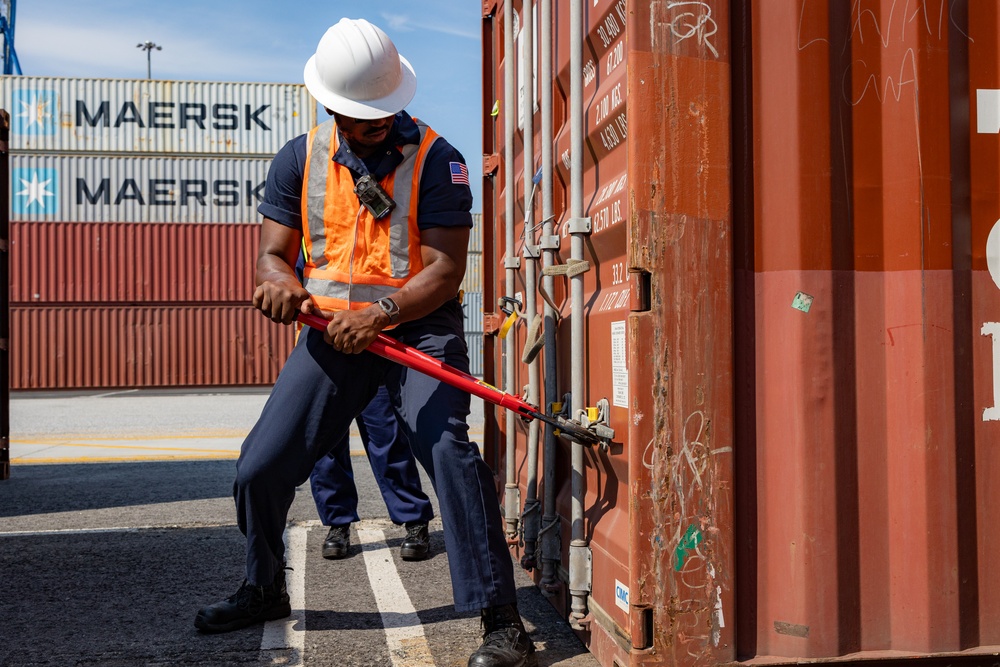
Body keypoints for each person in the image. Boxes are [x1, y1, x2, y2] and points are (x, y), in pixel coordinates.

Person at [194, 17, 536, 667]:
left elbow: (443, 270)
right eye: (360, 119)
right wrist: (274, 282)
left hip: (417, 330)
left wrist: (380, 313)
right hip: (331, 334)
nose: (374, 128)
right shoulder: (299, 158)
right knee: (259, 466)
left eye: (383, 117)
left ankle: (502, 619)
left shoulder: (440, 159)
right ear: (331, 105)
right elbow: (272, 254)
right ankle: (263, 586)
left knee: (447, 448)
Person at [311, 384, 433, 561]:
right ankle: (338, 524)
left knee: (387, 439)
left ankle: (415, 520)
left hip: (374, 360)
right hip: (327, 363)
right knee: (327, 446)